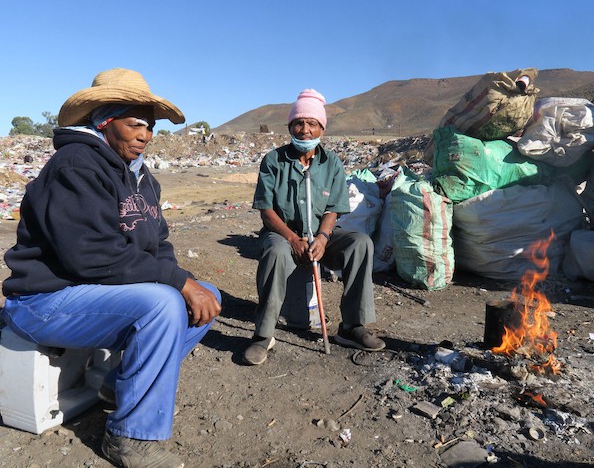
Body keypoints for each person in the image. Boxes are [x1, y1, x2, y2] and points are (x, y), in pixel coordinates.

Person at [1, 68, 222, 468]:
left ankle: (115, 384)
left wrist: (184, 281)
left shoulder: (141, 178)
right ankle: (129, 439)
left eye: (150, 127)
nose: (146, 135)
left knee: (208, 294)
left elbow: (160, 245)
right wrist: (177, 284)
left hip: (90, 293)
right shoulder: (75, 165)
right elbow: (89, 255)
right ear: (104, 119)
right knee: (164, 304)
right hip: (44, 299)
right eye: (135, 123)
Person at [243, 88, 385, 366]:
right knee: (275, 252)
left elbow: (333, 208)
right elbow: (267, 211)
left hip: (319, 236)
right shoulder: (274, 160)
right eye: (299, 123)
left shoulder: (331, 163)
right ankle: (263, 334)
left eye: (311, 123)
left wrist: (322, 236)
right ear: (290, 126)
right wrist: (293, 238)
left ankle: (352, 327)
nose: (304, 129)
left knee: (360, 243)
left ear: (322, 128)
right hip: (284, 234)